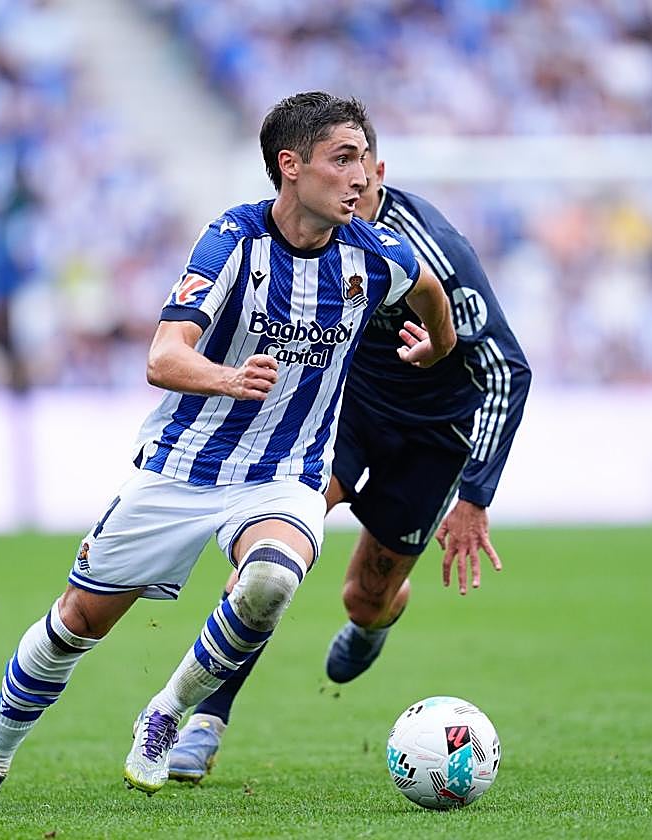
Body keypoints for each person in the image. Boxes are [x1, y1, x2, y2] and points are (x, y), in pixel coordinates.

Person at [0, 91, 458, 808]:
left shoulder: (376, 255)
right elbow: (161, 356)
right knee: (73, 626)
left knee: (272, 581)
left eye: (366, 160)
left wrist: (440, 344)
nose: (363, 177)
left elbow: (431, 290)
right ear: (291, 167)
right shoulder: (232, 242)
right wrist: (228, 378)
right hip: (183, 468)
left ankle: (168, 710)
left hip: (286, 475)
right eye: (343, 159)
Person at [167, 117, 531, 783]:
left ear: (379, 178)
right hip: (346, 415)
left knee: (363, 599)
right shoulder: (308, 231)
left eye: (361, 180)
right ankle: (205, 720)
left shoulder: (432, 251)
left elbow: (509, 369)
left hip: (432, 438)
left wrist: (475, 500)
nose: (348, 202)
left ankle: (375, 621)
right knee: (267, 556)